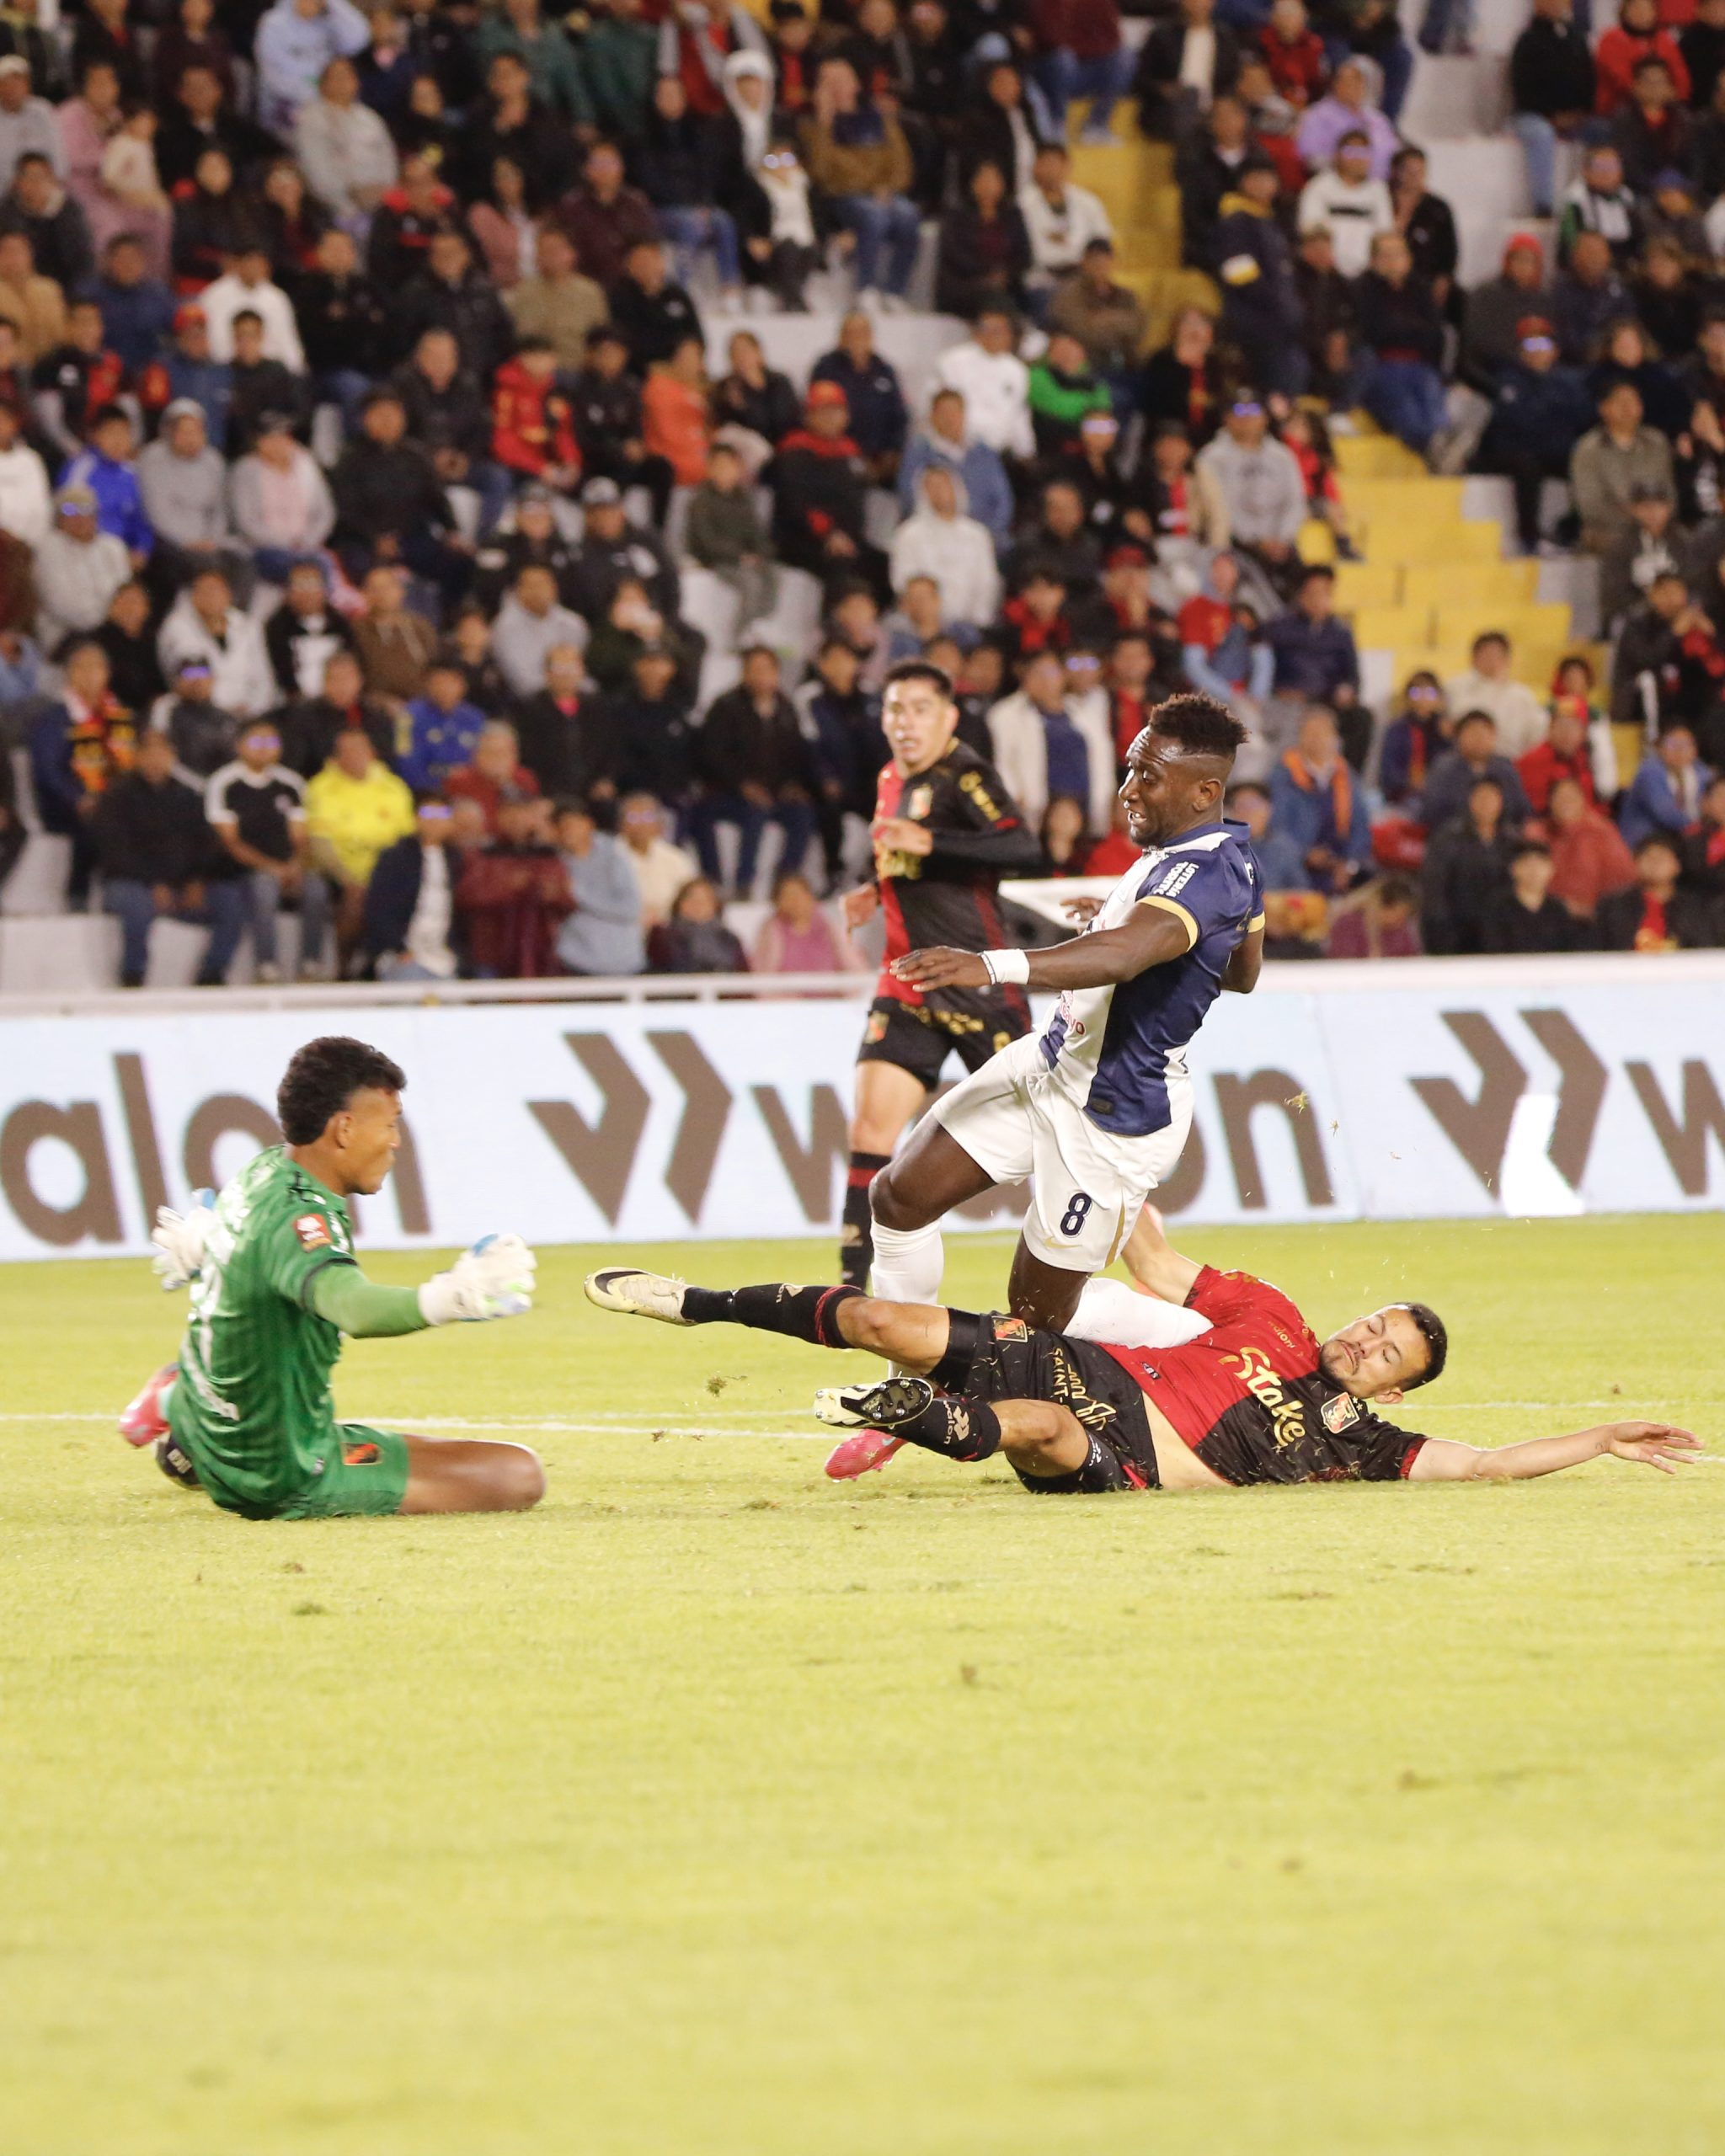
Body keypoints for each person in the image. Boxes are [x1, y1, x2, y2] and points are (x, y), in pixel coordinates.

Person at [585, 1201, 1696, 1491]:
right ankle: (698, 1303)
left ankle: (910, 1419)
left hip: (1117, 1453)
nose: (1366, 1342)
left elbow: (1492, 1465)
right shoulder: (1269, 1312)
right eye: (1374, 1322)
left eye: (1390, 1349)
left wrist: (1600, 1436)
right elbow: (1157, 1260)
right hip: (1073, 1361)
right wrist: (1121, 1150)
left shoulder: (1360, 1438)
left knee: (1043, 1433)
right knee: (881, 1319)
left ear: (1400, 1381)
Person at [864, 694, 1259, 1332]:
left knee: (1036, 1322)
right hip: (1048, 1065)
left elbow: (1129, 955)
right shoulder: (1215, 857)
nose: (1128, 790)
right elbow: (1241, 971)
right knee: (898, 1197)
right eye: (1131, 769)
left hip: (1113, 1115)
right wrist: (1122, 919)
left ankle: (1198, 1342)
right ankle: (907, 1386)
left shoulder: (1209, 874)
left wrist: (992, 964)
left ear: (1203, 790)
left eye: (1148, 777)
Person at [118, 1034, 544, 1515]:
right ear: (344, 1129)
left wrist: (209, 1248)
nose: (395, 1141)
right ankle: (193, 1420)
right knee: (519, 1474)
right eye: (389, 1124)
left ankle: (180, 1403)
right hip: (282, 1469)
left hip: (210, 1425)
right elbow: (351, 1307)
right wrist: (454, 1296)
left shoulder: (262, 1170)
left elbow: (252, 1253)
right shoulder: (302, 1220)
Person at [831, 659, 1039, 1286]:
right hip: (908, 980)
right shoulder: (890, 776)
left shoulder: (966, 774)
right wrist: (876, 887)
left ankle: (1131, 1246)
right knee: (870, 1126)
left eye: (919, 709)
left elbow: (1021, 847)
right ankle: (849, 1285)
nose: (905, 722)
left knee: (1049, 1138)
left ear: (948, 717)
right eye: (895, 709)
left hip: (978, 982)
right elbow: (906, 858)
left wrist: (930, 842)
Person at [91, 725, 245, 988]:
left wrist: (197, 880)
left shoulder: (189, 797)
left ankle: (212, 974)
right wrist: (153, 883)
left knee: (231, 900)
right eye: (149, 752)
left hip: (182, 886)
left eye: (162, 752)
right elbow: (115, 850)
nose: (156, 758)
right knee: (136, 903)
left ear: (173, 756)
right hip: (131, 882)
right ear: (137, 756)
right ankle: (133, 975)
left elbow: (206, 845)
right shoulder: (116, 796)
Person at [206, 717, 330, 983]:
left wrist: (295, 866)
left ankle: (310, 964)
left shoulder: (291, 783)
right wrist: (272, 868)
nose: (264, 747)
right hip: (239, 871)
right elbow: (230, 842)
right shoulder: (225, 782)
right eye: (256, 741)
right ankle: (266, 966)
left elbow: (300, 836)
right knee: (264, 887)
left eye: (271, 741)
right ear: (240, 746)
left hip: (287, 866)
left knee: (316, 888)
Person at [455, 787, 573, 978]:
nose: (516, 818)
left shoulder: (548, 856)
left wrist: (552, 892)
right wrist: (510, 885)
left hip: (539, 954)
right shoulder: (483, 855)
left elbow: (567, 901)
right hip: (491, 954)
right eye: (509, 812)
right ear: (498, 816)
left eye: (522, 812)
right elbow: (467, 896)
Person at [358, 792, 467, 981]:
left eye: (441, 815)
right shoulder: (395, 858)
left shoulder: (458, 861)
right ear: (416, 818)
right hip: (404, 954)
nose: (434, 821)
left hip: (445, 955)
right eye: (428, 813)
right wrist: (398, 948)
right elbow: (378, 908)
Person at [554, 794, 646, 976]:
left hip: (623, 962)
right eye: (562, 827)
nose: (568, 832)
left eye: (572, 825)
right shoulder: (555, 863)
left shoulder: (614, 857)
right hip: (576, 962)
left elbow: (630, 908)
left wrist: (577, 893)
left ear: (588, 824)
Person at [1599, 832, 1722, 948]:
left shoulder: (1695, 909)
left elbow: (1704, 950)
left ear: (1676, 866)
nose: (1655, 863)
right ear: (1635, 863)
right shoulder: (1614, 906)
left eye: (1662, 857)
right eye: (1648, 857)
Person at [1482, 841, 1584, 954]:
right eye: (1527, 864)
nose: (1534, 871)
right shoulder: (1496, 908)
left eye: (1540, 864)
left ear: (1551, 869)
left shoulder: (1558, 910)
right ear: (1513, 869)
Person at [647, 873, 748, 972]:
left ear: (716, 906)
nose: (698, 905)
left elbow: (744, 974)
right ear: (679, 903)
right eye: (691, 898)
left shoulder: (729, 939)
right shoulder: (662, 936)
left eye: (705, 900)